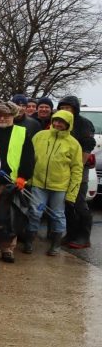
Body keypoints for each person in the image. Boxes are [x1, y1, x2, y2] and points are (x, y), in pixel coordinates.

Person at [25, 110, 83, 256]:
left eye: (61, 122)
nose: (57, 124)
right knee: (35, 213)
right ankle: (29, 241)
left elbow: (77, 170)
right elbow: (29, 158)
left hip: (59, 187)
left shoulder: (73, 144)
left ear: (68, 124)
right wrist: (27, 179)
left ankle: (55, 245)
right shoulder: (40, 136)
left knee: (57, 215)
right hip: (38, 184)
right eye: (55, 121)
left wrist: (72, 194)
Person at [0, 101, 34, 263]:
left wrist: (23, 177)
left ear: (12, 116)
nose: (2, 118)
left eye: (6, 115)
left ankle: (7, 249)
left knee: (10, 218)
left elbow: (28, 157)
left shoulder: (22, 132)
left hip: (12, 184)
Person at [56, 96, 96, 250]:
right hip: (63, 171)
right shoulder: (61, 123)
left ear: (75, 109)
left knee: (79, 203)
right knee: (67, 205)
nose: (65, 111)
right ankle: (71, 234)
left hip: (79, 170)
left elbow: (88, 146)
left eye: (68, 108)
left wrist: (78, 167)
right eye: (62, 108)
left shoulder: (83, 123)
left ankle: (84, 236)